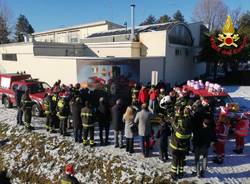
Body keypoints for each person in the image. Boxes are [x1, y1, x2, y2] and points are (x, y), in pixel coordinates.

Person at [170, 106, 192, 180]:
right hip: (183, 147)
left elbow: (173, 123)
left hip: (175, 147)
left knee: (175, 161)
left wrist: (176, 115)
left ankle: (173, 174)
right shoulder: (189, 130)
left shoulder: (178, 129)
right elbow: (187, 120)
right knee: (181, 161)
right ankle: (181, 173)